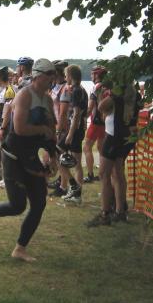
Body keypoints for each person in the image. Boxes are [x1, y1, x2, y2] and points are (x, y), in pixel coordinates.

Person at [0, 58, 59, 262]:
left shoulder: (47, 99)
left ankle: (20, 249)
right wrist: (43, 129)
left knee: (39, 203)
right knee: (17, 205)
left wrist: (52, 155)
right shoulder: (25, 95)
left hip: (31, 155)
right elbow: (19, 128)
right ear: (39, 75)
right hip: (14, 155)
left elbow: (51, 130)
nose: (53, 78)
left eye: (54, 75)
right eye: (50, 74)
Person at [88, 68, 142, 226]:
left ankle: (105, 213)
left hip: (114, 135)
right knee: (118, 173)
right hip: (128, 134)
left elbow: (101, 107)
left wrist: (104, 94)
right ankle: (120, 211)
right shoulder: (134, 91)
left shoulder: (118, 91)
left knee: (104, 174)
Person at [60, 64, 88, 203]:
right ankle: (76, 192)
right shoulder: (81, 90)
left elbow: (77, 114)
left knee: (60, 155)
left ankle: (75, 189)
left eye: (66, 75)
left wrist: (70, 134)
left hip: (75, 130)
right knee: (75, 162)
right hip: (78, 129)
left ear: (70, 76)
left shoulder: (77, 91)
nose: (65, 78)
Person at [83, 65, 107, 183]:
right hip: (104, 122)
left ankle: (90, 174)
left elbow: (90, 107)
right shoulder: (107, 86)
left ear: (97, 75)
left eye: (92, 74)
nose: (91, 76)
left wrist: (83, 118)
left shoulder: (96, 87)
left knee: (86, 147)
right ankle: (103, 174)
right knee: (101, 148)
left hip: (96, 121)